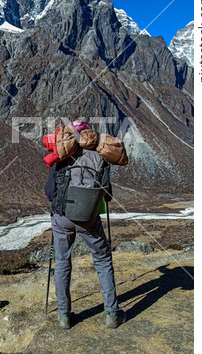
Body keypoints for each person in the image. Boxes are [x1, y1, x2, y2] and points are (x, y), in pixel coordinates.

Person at [44, 122, 126, 330]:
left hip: (62, 218)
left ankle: (64, 316)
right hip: (89, 218)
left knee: (62, 263)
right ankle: (112, 313)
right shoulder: (101, 156)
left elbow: (49, 192)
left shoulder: (62, 155)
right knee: (103, 260)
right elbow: (107, 194)